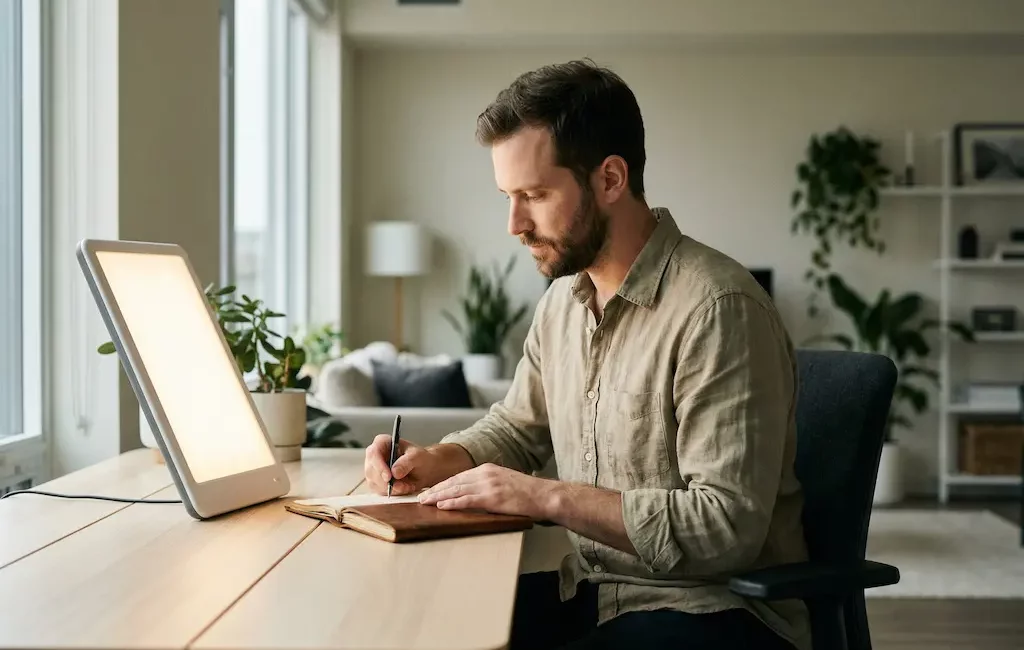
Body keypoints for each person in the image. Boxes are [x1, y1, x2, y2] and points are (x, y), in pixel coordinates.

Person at [363, 58, 811, 650]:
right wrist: (438, 460)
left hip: (715, 610)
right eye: (508, 197)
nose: (514, 224)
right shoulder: (562, 304)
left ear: (610, 179)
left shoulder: (718, 309)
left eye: (534, 195)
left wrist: (546, 496)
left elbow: (725, 526)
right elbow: (517, 429)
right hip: (594, 593)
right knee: (424, 625)